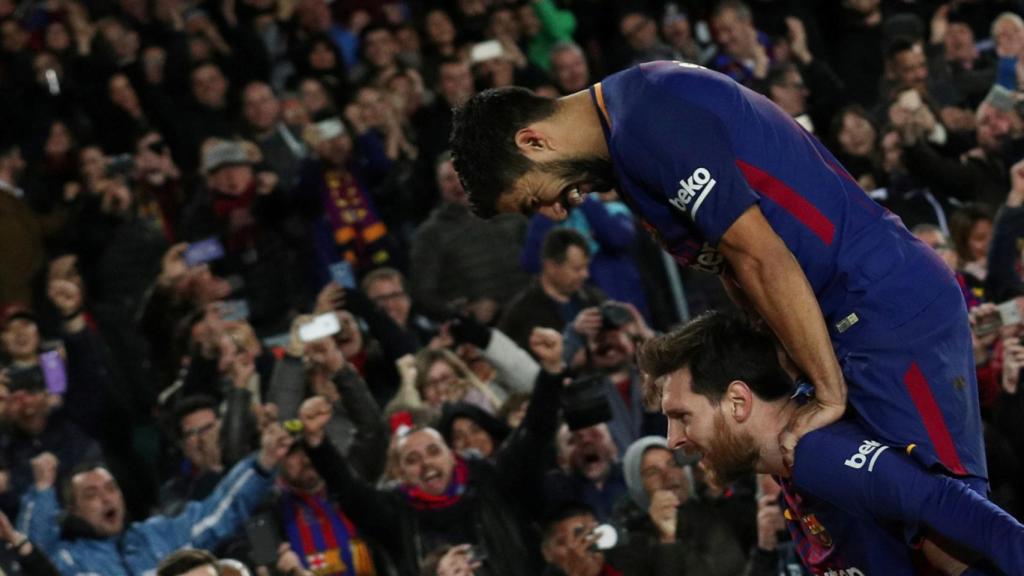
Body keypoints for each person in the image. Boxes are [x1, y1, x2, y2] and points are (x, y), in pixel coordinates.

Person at [450, 60, 987, 491]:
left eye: (533, 199)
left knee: (946, 524)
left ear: (533, 141)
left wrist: (827, 393)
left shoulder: (647, 115)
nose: (556, 212)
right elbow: (734, 269)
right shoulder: (625, 151)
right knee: (888, 530)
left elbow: (758, 257)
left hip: (883, 308)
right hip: (842, 324)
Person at [638, 311, 1024, 575]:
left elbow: (941, 500)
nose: (673, 440)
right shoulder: (792, 473)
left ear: (738, 402)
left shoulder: (819, 453)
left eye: (682, 416)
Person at [16, 422, 293, 575]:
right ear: (73, 510)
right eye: (91, 494)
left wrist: (263, 463)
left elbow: (218, 513)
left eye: (111, 488)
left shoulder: (160, 534)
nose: (106, 498)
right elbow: (30, 556)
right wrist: (42, 490)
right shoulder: (68, 559)